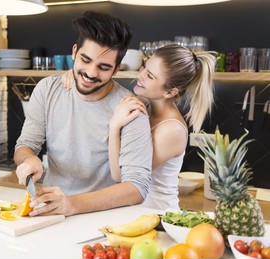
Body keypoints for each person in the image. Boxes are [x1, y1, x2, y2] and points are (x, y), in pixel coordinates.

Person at [14, 11, 152, 217]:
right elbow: (24, 146)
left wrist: (72, 204)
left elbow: (136, 188)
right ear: (74, 52)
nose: (91, 73)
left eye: (104, 67)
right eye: (85, 60)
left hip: (105, 219)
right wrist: (29, 159)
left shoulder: (131, 108)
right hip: (52, 213)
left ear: (116, 69)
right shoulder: (47, 89)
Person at [62, 44, 216, 210]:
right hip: (133, 213)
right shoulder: (143, 104)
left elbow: (121, 177)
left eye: (150, 76)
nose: (140, 75)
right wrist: (76, 75)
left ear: (170, 92)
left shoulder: (172, 130)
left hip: (157, 218)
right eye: (144, 66)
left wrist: (115, 127)